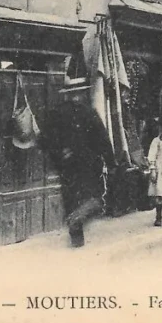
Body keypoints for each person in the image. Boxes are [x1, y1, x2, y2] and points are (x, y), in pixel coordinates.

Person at [39, 80, 115, 248]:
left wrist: (59, 155)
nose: (76, 96)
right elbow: (103, 139)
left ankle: (76, 237)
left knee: (72, 199)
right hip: (87, 165)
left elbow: (44, 141)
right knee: (94, 197)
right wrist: (111, 163)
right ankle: (77, 225)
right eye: (75, 93)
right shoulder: (88, 112)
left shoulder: (57, 113)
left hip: (71, 166)